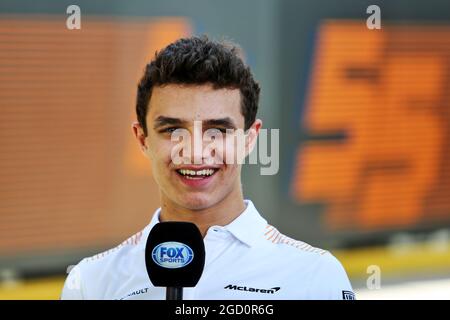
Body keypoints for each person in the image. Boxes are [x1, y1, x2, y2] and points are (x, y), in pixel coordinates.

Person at [61, 35, 354, 300]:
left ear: (250, 139)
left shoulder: (315, 276)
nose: (196, 152)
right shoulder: (91, 282)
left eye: (217, 131)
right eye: (173, 130)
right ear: (143, 139)